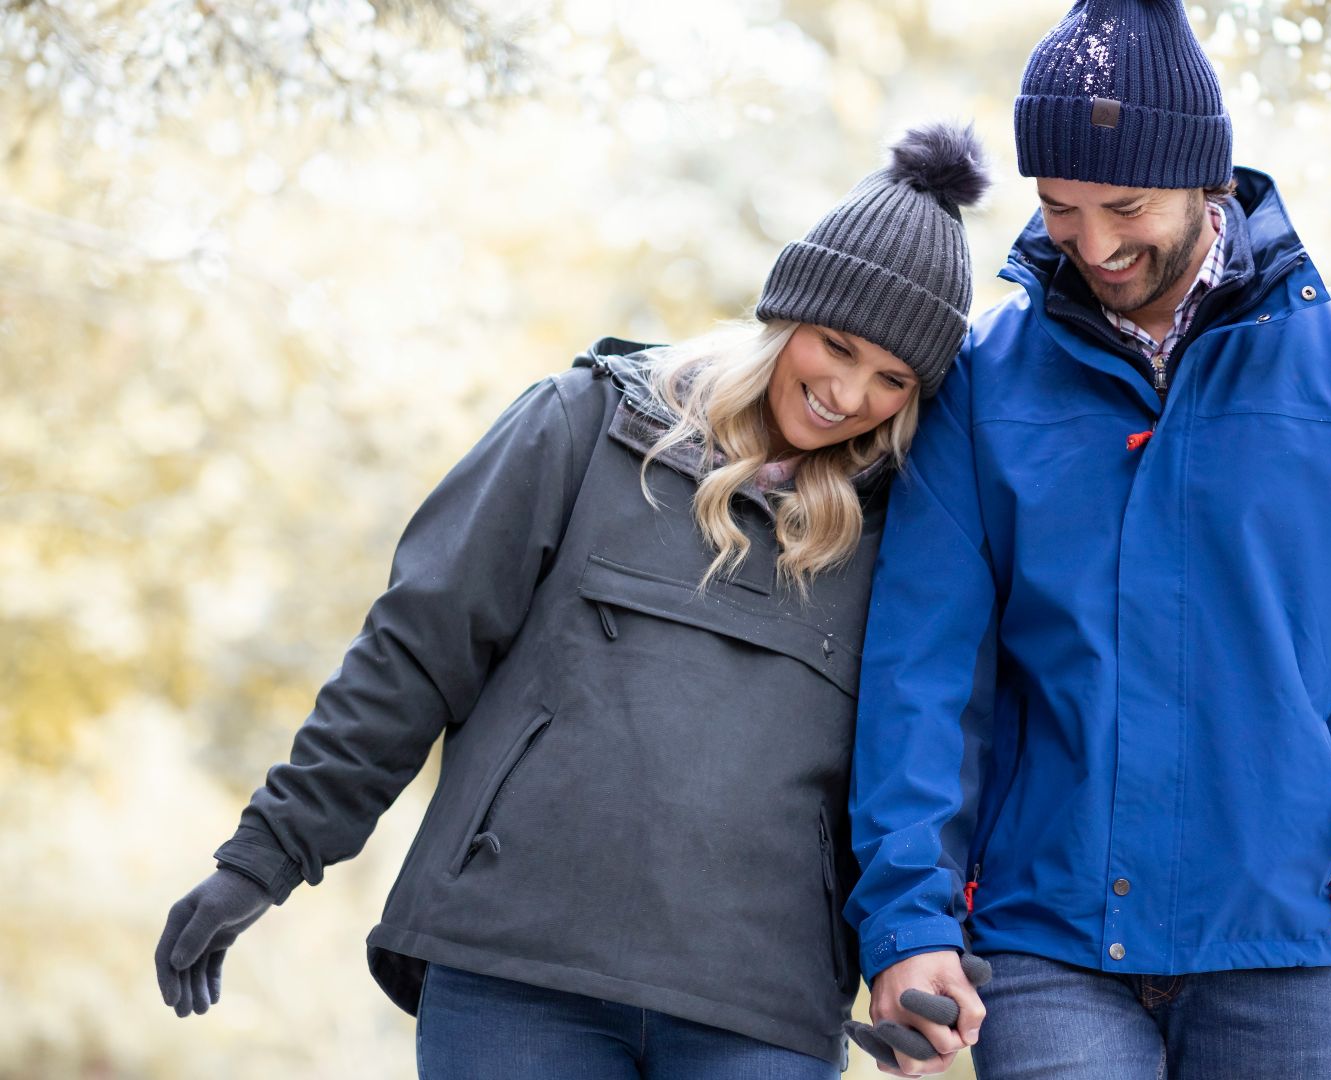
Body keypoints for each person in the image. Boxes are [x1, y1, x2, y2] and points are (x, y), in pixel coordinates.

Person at [152, 122, 989, 1080]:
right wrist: (265, 856)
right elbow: (413, 654)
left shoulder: (907, 533)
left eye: (893, 379)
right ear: (784, 314)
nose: (847, 393)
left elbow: (932, 751)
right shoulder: (583, 426)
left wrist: (916, 945)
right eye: (835, 345)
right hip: (516, 973)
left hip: (759, 1007)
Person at [843, 4, 1331, 1078]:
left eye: (1125, 207)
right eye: (1060, 209)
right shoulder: (983, 386)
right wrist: (907, 918)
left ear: (1206, 183)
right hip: (1042, 934)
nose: (1095, 245)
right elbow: (920, 671)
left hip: (1280, 936)